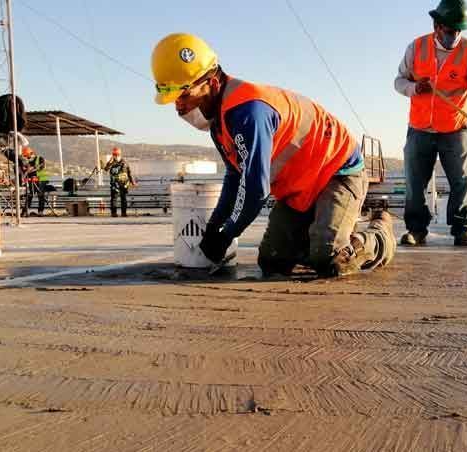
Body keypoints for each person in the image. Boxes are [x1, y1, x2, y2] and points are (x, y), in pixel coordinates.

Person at [151, 33, 395, 277]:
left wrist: (227, 235)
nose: (179, 107)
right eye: (173, 99)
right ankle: (322, 232)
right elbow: (235, 177)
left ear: (212, 84)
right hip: (300, 186)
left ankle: (379, 234)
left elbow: (256, 189)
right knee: (272, 261)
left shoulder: (248, 112)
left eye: (183, 95)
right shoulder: (219, 122)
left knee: (330, 260)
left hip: (336, 172)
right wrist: (215, 225)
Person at [395, 0, 467, 247]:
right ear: (437, 26)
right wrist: (413, 87)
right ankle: (416, 230)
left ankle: (463, 230)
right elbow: (398, 81)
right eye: (451, 31)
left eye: (458, 31)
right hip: (420, 128)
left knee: (461, 181)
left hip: (454, 128)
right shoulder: (416, 47)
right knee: (415, 182)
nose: (455, 36)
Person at [103, 147, 135, 217]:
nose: (116, 156)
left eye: (117, 154)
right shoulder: (111, 163)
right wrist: (109, 163)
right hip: (114, 184)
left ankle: (124, 213)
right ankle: (113, 213)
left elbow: (129, 173)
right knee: (114, 199)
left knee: (124, 199)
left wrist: (132, 182)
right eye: (114, 154)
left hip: (124, 184)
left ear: (120, 154)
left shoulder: (125, 163)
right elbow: (105, 169)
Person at [21, 146, 48, 216]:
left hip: (42, 179)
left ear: (31, 153)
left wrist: (32, 169)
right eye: (26, 156)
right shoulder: (30, 161)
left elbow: (42, 166)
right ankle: (25, 211)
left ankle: (40, 212)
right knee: (30, 195)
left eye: (27, 156)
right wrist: (26, 170)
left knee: (40, 195)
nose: (27, 158)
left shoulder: (40, 158)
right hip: (32, 180)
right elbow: (27, 170)